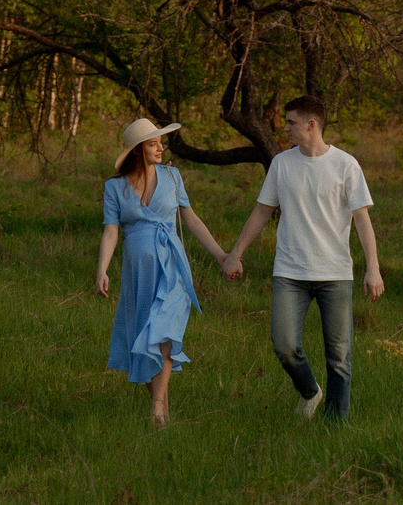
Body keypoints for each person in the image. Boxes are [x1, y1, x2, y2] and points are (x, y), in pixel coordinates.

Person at [220, 96, 383, 421]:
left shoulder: (345, 165)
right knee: (284, 345)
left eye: (291, 122)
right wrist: (235, 254)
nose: (285, 127)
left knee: (339, 356)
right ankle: (310, 391)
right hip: (290, 273)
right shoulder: (282, 164)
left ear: (312, 125)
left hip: (335, 274)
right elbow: (262, 211)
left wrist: (373, 269)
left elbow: (362, 218)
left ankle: (335, 426)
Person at [96, 117, 233, 428]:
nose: (161, 147)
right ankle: (162, 412)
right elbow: (110, 232)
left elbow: (192, 220)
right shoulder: (114, 187)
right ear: (137, 150)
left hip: (171, 266)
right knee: (143, 339)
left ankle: (157, 405)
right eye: (153, 143)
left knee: (164, 332)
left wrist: (222, 256)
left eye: (160, 142)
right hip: (137, 273)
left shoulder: (172, 177)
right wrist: (102, 270)